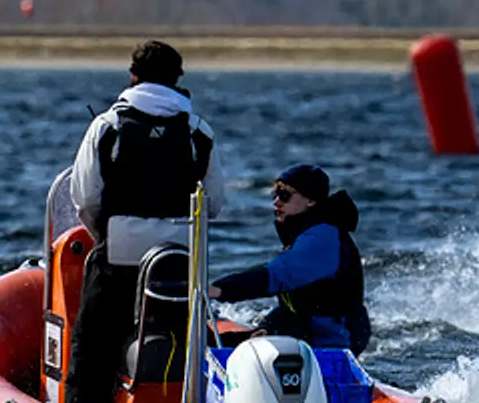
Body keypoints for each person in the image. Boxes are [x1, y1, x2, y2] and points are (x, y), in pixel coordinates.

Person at [63, 39, 226, 403]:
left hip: (117, 258)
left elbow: (85, 197)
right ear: (177, 79)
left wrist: (107, 235)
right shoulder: (199, 132)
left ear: (133, 76)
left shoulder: (107, 126)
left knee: (91, 348)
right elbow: (213, 203)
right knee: (183, 346)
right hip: (179, 262)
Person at [207, 164, 372, 356]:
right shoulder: (304, 234)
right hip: (304, 327)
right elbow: (293, 305)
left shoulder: (323, 237)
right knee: (221, 341)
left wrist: (220, 290)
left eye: (285, 195)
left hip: (335, 339)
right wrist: (268, 327)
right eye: (275, 194)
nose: (276, 202)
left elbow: (277, 276)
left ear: (311, 200)